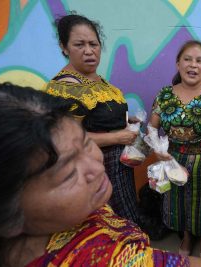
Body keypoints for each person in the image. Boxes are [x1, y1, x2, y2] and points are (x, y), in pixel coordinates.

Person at [0, 82, 201, 267]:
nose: (95, 166)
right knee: (178, 205)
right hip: (176, 157)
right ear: (6, 218)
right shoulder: (98, 259)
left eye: (86, 143)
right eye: (67, 174)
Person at [44, 14, 139, 223]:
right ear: (64, 47)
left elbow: (100, 115)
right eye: (79, 44)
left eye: (93, 44)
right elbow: (66, 139)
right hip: (95, 169)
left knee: (126, 217)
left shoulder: (97, 80)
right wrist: (117, 138)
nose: (89, 51)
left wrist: (125, 121)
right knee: (107, 223)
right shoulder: (65, 88)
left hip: (119, 166)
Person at [149, 40, 201, 257]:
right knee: (178, 201)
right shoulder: (165, 95)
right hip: (172, 159)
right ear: (178, 64)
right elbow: (151, 126)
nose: (193, 65)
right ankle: (186, 237)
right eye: (187, 59)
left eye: (199, 61)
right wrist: (157, 147)